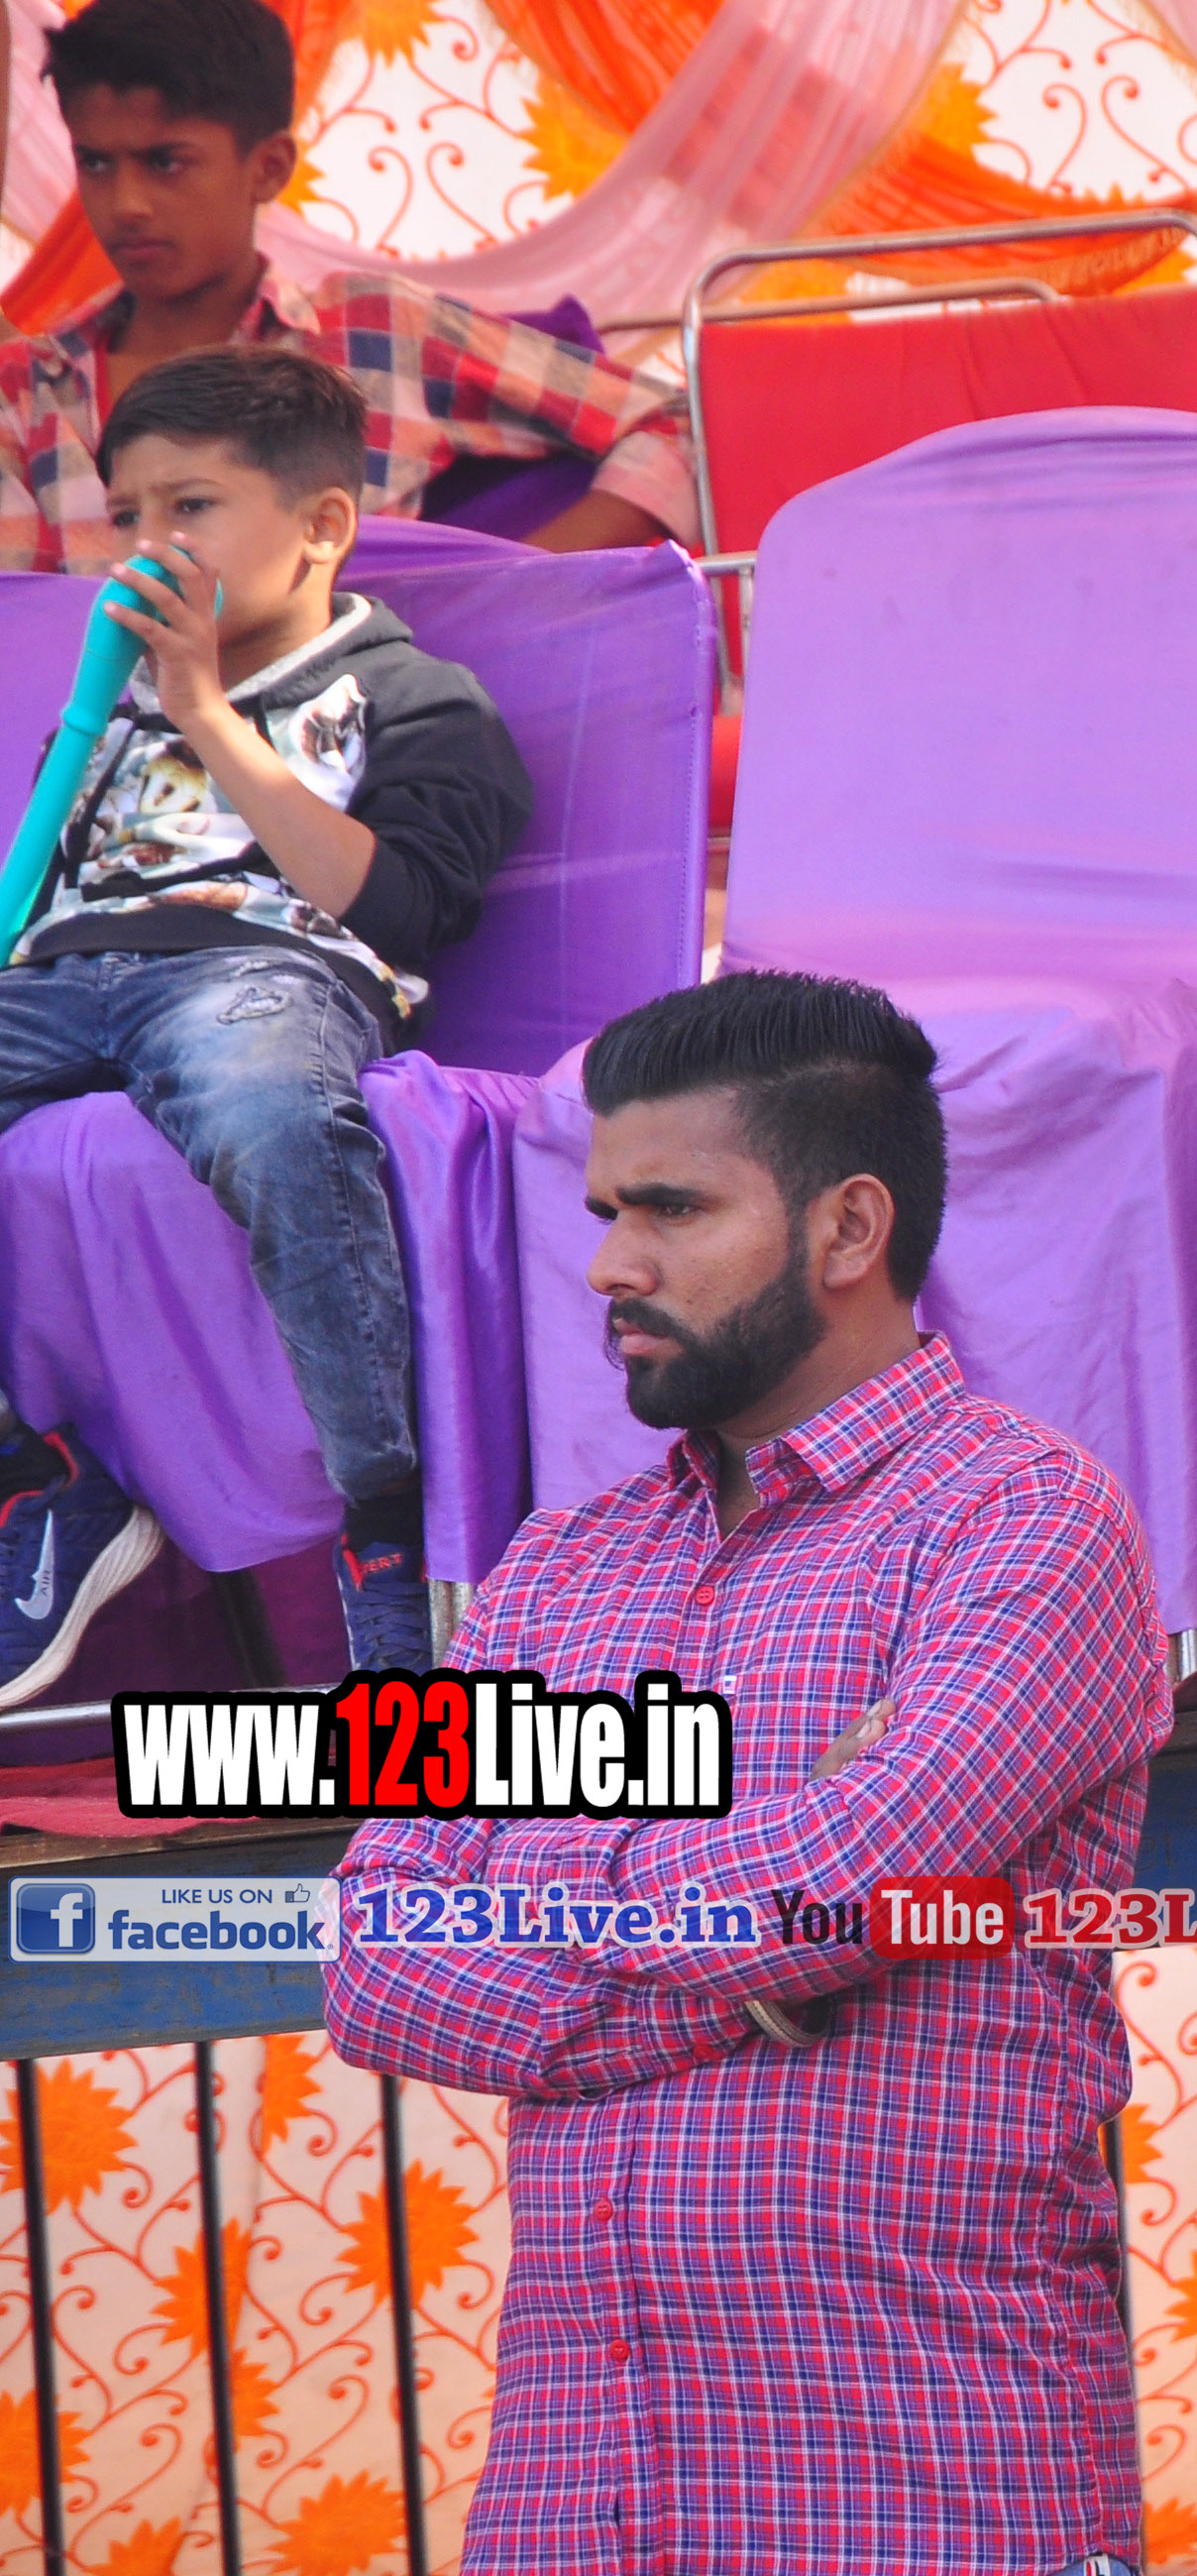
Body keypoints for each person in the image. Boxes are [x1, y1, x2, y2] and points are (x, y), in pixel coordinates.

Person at [323, 970, 1169, 2576]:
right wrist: (767, 1939)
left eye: (671, 1208)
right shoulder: (550, 1574)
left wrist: (561, 1903)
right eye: (603, 1209)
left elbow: (866, 1868)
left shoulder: (1026, 1523)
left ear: (848, 1227)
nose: (610, 1262)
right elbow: (377, 1953)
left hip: (945, 2514)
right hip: (594, 2532)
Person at [0, 343, 530, 1699]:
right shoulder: (105, 714)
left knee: (273, 1119)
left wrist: (206, 712)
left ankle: (384, 1523)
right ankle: (40, 1478)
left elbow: (401, 909)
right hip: (62, 977)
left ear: (321, 527)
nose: (147, 545)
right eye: (127, 514)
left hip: (258, 972)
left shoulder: (412, 695)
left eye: (191, 507)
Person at [0, 0, 695, 574]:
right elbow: (21, 620)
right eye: (96, 163)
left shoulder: (376, 330)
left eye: (165, 163)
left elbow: (677, 424)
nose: (126, 204)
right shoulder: (27, 390)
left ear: (268, 168)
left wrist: (517, 581)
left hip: (363, 700)